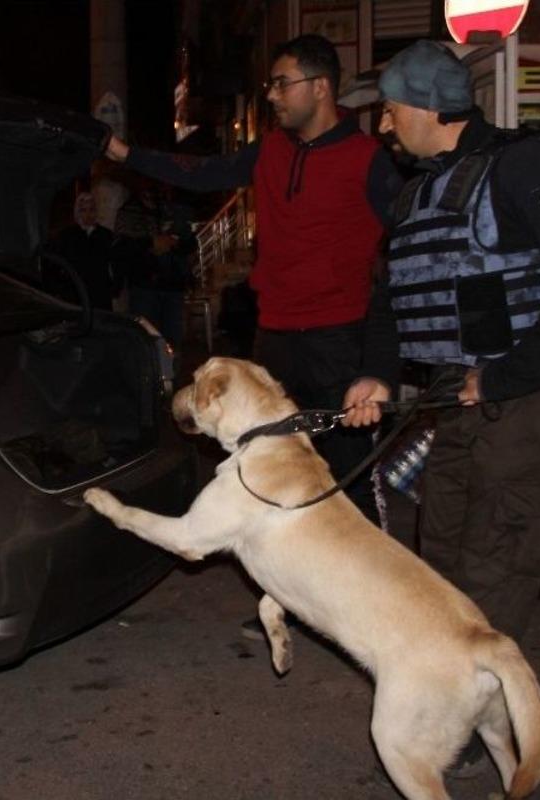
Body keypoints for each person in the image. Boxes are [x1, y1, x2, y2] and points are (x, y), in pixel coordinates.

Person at [342, 40, 540, 776]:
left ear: (431, 109)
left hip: (533, 400)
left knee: (499, 558)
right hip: (456, 402)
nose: (383, 126)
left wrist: (506, 376)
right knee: (442, 562)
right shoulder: (419, 187)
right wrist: (375, 374)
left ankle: (463, 727)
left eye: (391, 110)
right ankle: (451, 697)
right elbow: (391, 295)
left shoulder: (526, 165)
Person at [106, 33, 400, 527]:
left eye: (282, 84)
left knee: (347, 486)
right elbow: (201, 172)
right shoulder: (269, 151)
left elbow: (403, 258)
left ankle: (370, 597)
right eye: (271, 85)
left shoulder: (370, 160)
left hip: (339, 342)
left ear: (321, 87)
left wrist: (382, 367)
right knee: (272, 476)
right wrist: (125, 154)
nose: (271, 95)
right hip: (275, 342)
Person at [113, 181, 195, 348]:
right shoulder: (130, 212)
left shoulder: (172, 210)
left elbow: (190, 243)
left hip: (172, 286)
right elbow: (122, 248)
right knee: (147, 339)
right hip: (144, 287)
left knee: (172, 340)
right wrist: (150, 244)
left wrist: (174, 243)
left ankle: (171, 372)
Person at [46, 191, 120, 310]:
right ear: (77, 212)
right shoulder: (67, 236)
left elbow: (115, 263)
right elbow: (55, 263)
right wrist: (59, 288)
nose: (88, 215)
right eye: (83, 210)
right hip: (75, 294)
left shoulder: (105, 235)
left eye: (91, 210)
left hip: (100, 294)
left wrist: (114, 287)